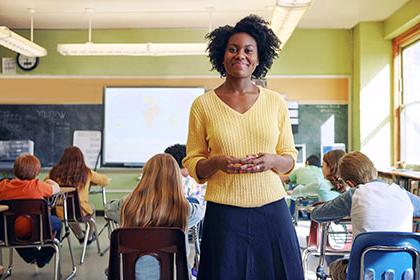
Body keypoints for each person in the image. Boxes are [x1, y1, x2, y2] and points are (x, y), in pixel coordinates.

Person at [182, 15, 304, 279]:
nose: (241, 55)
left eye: (249, 50)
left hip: (272, 209)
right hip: (224, 213)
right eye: (233, 49)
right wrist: (216, 163)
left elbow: (290, 159)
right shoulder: (203, 105)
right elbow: (193, 163)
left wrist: (272, 161)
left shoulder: (275, 102)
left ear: (259, 59)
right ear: (222, 56)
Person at [311, 151, 420, 280]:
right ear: (374, 170)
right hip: (405, 272)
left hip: (363, 271)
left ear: (350, 183)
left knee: (335, 266)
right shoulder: (402, 193)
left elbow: (317, 215)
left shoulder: (354, 194)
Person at [119, 153, 205, 280]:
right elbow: (202, 211)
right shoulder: (187, 210)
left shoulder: (126, 206)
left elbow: (109, 209)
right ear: (176, 178)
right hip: (175, 276)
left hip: (132, 276)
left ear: (145, 177)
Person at [0, 154, 61, 268]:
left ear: (15, 170)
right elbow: (56, 189)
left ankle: (31, 256)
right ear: (36, 172)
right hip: (38, 230)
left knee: (15, 229)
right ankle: (42, 258)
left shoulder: (3, 185)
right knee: (57, 223)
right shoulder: (38, 185)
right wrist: (49, 180)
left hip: (8, 232)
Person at [48, 146, 110, 244]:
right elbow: (105, 181)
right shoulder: (86, 173)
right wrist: (90, 182)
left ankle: (81, 235)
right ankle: (88, 238)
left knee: (69, 213)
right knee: (91, 209)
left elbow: (46, 184)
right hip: (79, 211)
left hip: (58, 211)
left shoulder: (54, 173)